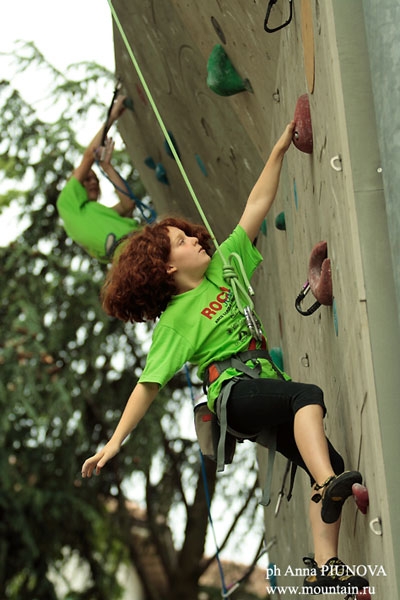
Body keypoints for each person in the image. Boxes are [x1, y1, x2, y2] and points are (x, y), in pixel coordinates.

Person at [81, 122, 369, 593]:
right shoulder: (175, 320)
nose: (195, 239)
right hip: (234, 395)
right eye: (181, 241)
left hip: (262, 386)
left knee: (329, 458)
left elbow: (256, 205)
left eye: (187, 234)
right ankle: (325, 488)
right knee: (307, 397)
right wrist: (115, 441)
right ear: (168, 268)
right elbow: (148, 384)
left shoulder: (226, 264)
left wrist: (278, 150)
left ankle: (324, 569)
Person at [57, 94, 141, 262]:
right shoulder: (67, 202)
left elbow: (128, 204)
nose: (93, 181)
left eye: (95, 178)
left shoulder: (97, 213)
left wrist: (107, 168)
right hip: (131, 251)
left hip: (138, 241)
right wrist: (111, 118)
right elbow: (89, 156)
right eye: (86, 179)